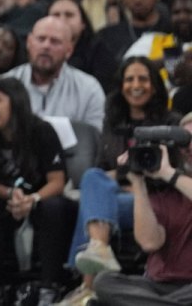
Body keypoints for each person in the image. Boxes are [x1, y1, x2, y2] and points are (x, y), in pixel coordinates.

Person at [59, 57, 180, 305]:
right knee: (91, 178)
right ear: (121, 85)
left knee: (92, 203)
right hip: (118, 198)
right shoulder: (113, 122)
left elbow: (166, 176)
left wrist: (126, 176)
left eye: (143, 79)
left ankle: (87, 284)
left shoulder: (170, 123)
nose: (136, 85)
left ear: (155, 85)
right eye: (129, 79)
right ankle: (98, 250)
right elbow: (101, 171)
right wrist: (129, 176)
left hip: (153, 203)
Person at [0, 76, 76, 306]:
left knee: (53, 207)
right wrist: (12, 195)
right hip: (9, 200)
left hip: (44, 198)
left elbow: (57, 181)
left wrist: (33, 199)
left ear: (15, 102)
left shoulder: (42, 131)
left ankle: (50, 289)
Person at [90, 113, 192, 306]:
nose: (190, 148)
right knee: (104, 282)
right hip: (158, 286)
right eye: (185, 141)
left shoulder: (171, 178)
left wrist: (169, 173)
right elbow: (150, 242)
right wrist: (138, 184)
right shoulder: (164, 190)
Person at [4, 16, 107, 127]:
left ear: (69, 50)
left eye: (55, 41)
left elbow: (95, 138)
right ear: (29, 43)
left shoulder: (88, 89)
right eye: (41, 39)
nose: (46, 46)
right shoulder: (5, 84)